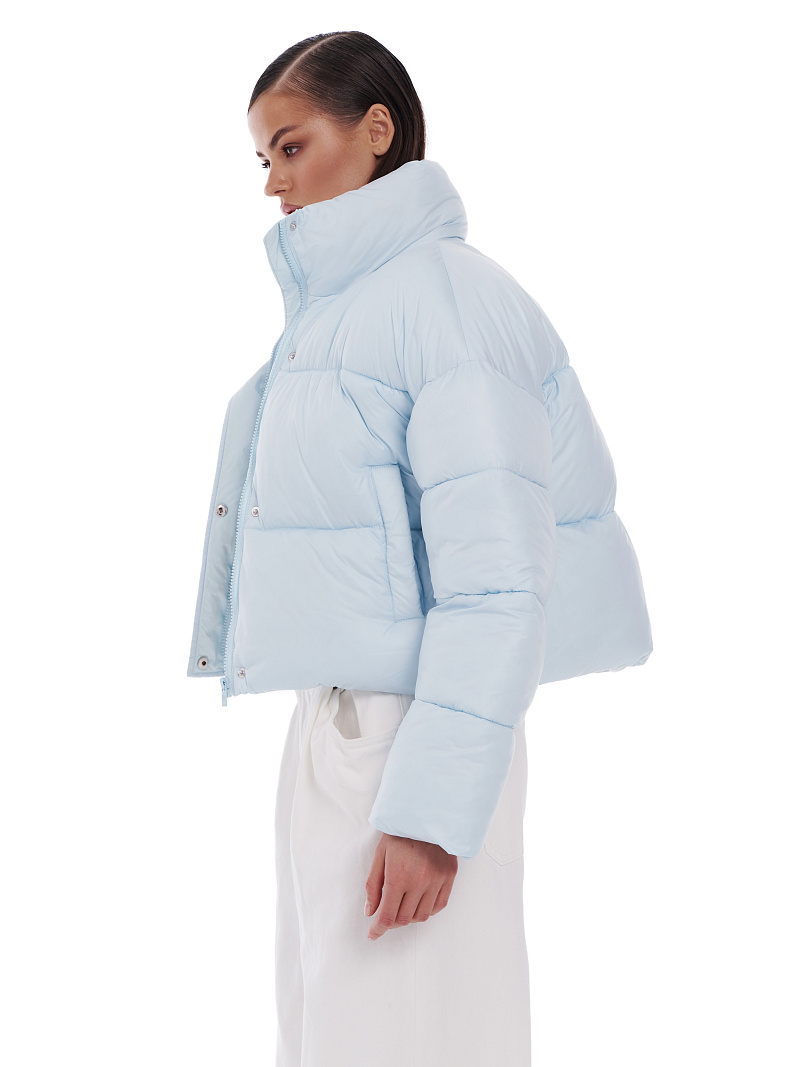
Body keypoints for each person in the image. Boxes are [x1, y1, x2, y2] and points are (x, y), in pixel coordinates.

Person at [186, 30, 653, 1067]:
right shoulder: (341, 313)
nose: (273, 183)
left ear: (376, 130)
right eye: (262, 158)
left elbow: (499, 580)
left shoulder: (445, 303)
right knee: (333, 1035)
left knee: (411, 1038)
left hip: (410, 738)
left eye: (291, 147)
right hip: (340, 723)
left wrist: (432, 810)